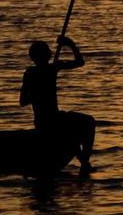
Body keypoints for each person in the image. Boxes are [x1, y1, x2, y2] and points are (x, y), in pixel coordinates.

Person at [20, 36, 95, 171]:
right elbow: (23, 101)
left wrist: (70, 44)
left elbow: (80, 63)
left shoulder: (50, 69)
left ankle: (84, 162)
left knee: (84, 123)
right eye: (47, 51)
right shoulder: (36, 72)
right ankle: (84, 163)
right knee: (84, 124)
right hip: (47, 122)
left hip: (55, 117)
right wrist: (70, 44)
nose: (50, 52)